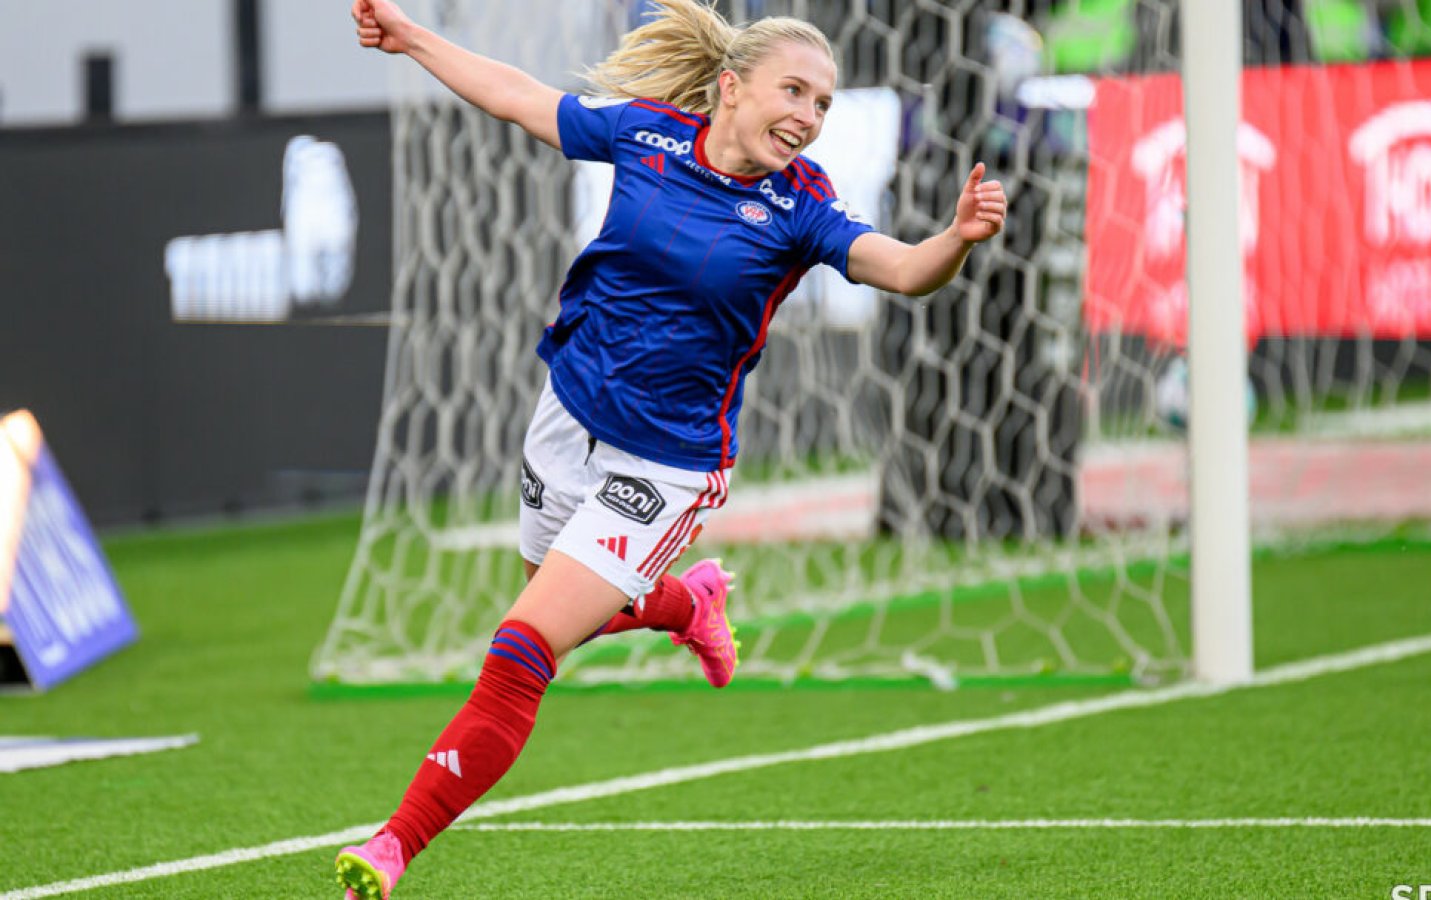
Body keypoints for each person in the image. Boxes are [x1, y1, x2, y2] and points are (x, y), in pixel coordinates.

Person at [336, 0, 1008, 896]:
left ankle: (393, 844)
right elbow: (517, 98)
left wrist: (954, 240)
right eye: (794, 92)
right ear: (730, 89)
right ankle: (688, 607)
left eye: (823, 105)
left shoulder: (802, 206)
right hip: (567, 415)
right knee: (566, 605)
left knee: (523, 646)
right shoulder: (648, 138)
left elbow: (901, 268)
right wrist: (413, 35)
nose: (808, 117)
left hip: (669, 464)